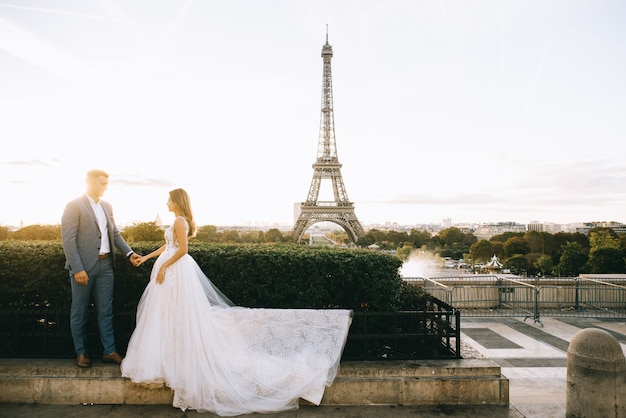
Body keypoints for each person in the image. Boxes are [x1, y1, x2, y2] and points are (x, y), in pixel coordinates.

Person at [121, 189, 352, 416]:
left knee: (176, 314)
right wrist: (148, 258)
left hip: (175, 271)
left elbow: (182, 249)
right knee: (172, 315)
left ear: (177, 201)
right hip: (172, 270)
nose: (166, 203)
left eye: (169, 200)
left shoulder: (180, 221)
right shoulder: (178, 221)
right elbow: (169, 246)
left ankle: (173, 360)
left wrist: (162, 266)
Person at [61, 169, 141, 368]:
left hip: (106, 266)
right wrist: (78, 268)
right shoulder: (73, 205)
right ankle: (81, 353)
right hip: (83, 268)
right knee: (79, 312)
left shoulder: (107, 206)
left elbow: (114, 234)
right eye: (102, 183)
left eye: (106, 183)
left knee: (106, 311)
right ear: (90, 182)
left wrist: (130, 254)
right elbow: (68, 240)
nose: (106, 187)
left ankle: (109, 351)